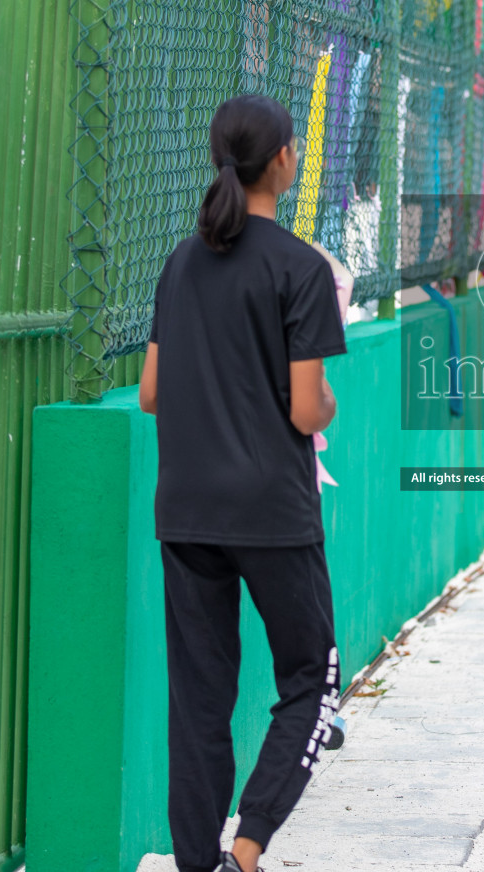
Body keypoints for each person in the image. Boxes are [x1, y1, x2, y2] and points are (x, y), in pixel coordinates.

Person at [138, 95, 347, 872]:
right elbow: (305, 409)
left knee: (199, 702)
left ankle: (199, 864)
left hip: (187, 510)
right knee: (313, 682)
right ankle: (250, 845)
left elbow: (152, 392)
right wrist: (328, 402)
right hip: (272, 513)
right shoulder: (300, 268)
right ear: (285, 161)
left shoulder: (179, 262)